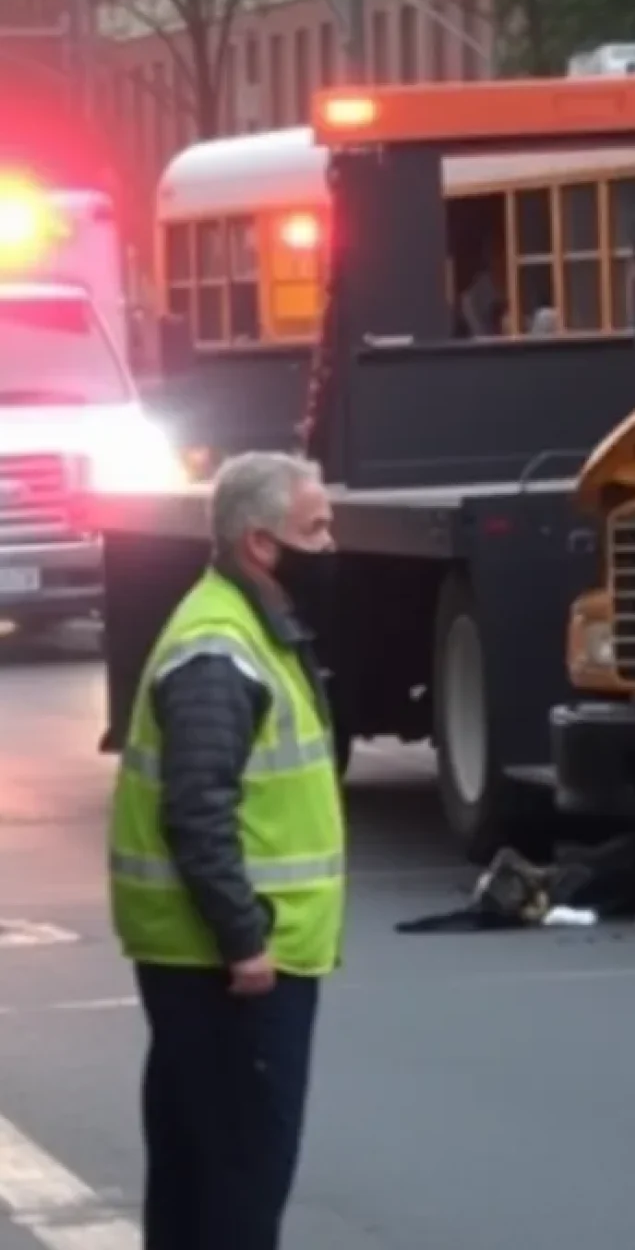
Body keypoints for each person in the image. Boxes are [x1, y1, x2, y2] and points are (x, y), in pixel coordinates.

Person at [107, 451, 344, 1249]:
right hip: (230, 967)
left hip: (211, 958)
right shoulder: (220, 647)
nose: (332, 545)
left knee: (194, 1176)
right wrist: (244, 940)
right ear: (259, 544)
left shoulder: (244, 626)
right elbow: (198, 807)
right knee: (239, 1186)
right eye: (315, 529)